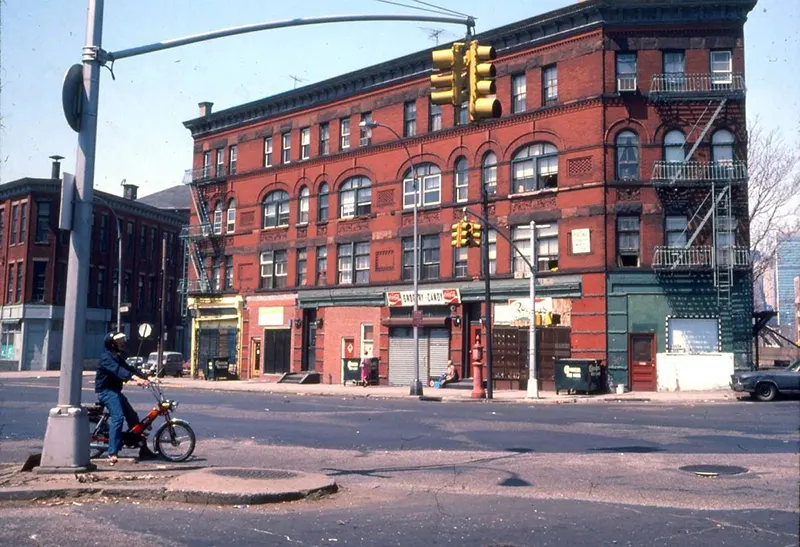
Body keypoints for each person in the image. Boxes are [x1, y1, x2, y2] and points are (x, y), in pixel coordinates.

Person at [95, 332, 152, 465]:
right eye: (119, 341)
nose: (122, 343)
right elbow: (118, 371)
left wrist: (146, 377)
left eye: (122, 340)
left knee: (132, 416)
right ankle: (112, 453)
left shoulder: (117, 357)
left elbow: (129, 368)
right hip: (106, 392)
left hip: (115, 392)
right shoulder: (106, 358)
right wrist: (134, 379)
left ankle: (143, 448)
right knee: (118, 417)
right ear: (112, 344)